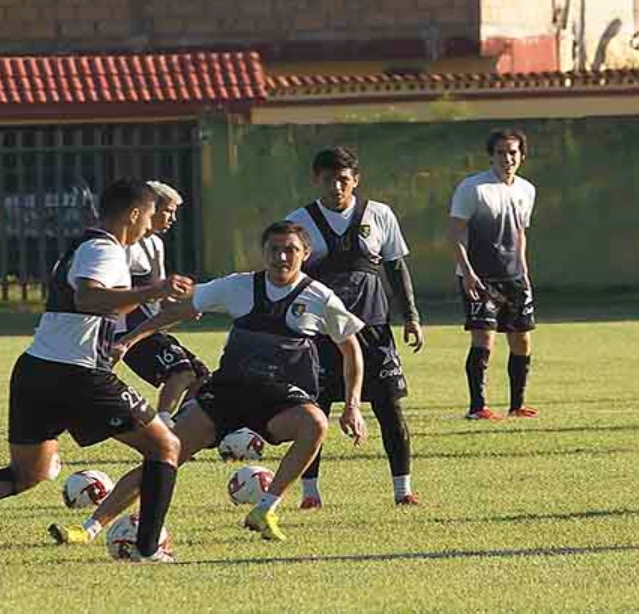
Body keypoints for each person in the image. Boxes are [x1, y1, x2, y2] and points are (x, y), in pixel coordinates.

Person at [0, 179, 188, 566]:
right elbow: (88, 296)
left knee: (29, 473)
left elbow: (98, 308)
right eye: (151, 214)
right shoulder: (104, 249)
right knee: (165, 446)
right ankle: (148, 548)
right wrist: (152, 291)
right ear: (135, 213)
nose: (152, 223)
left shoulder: (82, 247)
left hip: (36, 371)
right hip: (78, 375)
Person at [49, 221, 367, 545]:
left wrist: (352, 406)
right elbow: (181, 310)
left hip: (280, 398)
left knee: (314, 424)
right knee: (163, 455)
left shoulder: (319, 298)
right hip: (229, 393)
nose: (282, 257)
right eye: (274, 249)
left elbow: (350, 347)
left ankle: (265, 509)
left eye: (291, 250)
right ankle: (87, 529)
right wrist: (128, 340)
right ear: (263, 251)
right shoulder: (239, 286)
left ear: (305, 254)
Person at [285, 147, 422, 509]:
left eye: (343, 179)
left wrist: (411, 316)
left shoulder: (379, 214)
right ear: (317, 180)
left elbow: (395, 267)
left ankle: (403, 491)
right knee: (313, 411)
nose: (336, 186)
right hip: (320, 333)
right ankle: (310, 495)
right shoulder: (299, 221)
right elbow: (286, 277)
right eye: (328, 179)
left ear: (355, 180)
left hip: (374, 329)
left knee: (389, 407)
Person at [448, 128, 538, 420]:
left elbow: (521, 233)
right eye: (501, 152)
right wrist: (469, 273)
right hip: (479, 278)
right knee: (484, 340)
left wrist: (523, 272)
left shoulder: (527, 190)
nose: (507, 158)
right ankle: (477, 408)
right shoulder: (472, 188)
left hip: (513, 277)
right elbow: (456, 233)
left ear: (521, 156)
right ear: (491, 156)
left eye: (513, 152)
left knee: (521, 340)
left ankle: (517, 405)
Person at [122, 181, 209, 420]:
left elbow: (158, 297)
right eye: (168, 211)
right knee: (180, 373)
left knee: (202, 377)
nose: (172, 218)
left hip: (147, 326)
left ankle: (177, 428)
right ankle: (162, 431)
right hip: (126, 329)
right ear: (150, 208)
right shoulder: (125, 245)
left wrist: (185, 306)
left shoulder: (155, 244)